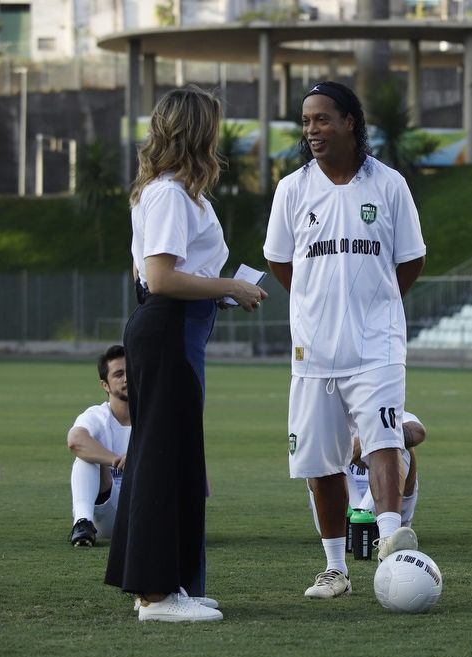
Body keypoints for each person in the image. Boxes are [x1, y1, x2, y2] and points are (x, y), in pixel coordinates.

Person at [105, 86, 268, 623]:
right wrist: (229, 285)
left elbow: (163, 275)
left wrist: (221, 291)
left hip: (177, 329)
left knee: (172, 457)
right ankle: (156, 595)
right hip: (169, 330)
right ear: (198, 133)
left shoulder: (174, 193)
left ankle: (170, 582)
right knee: (162, 458)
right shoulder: (171, 194)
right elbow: (159, 277)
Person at [263, 81, 426, 601]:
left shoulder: (390, 184)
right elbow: (278, 261)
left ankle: (390, 546)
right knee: (321, 463)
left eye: (322, 119)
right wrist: (316, 303)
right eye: (306, 121)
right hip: (313, 351)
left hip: (376, 345)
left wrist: (376, 306)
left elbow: (412, 258)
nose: (312, 130)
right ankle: (336, 569)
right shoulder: (292, 189)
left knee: (383, 438)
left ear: (350, 122)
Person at [67, 345, 131, 548]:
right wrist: (116, 460)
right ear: (105, 385)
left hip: (147, 508)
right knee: (86, 457)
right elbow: (75, 440)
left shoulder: (155, 415)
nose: (127, 379)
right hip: (109, 514)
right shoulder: (97, 416)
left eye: (131, 372)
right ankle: (83, 523)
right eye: (119, 374)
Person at [340, 412, 427, 525]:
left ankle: (363, 520)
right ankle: (354, 523)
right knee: (320, 453)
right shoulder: (332, 418)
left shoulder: (388, 413)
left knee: (399, 450)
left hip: (388, 499)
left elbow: (418, 432)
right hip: (342, 498)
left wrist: (367, 445)